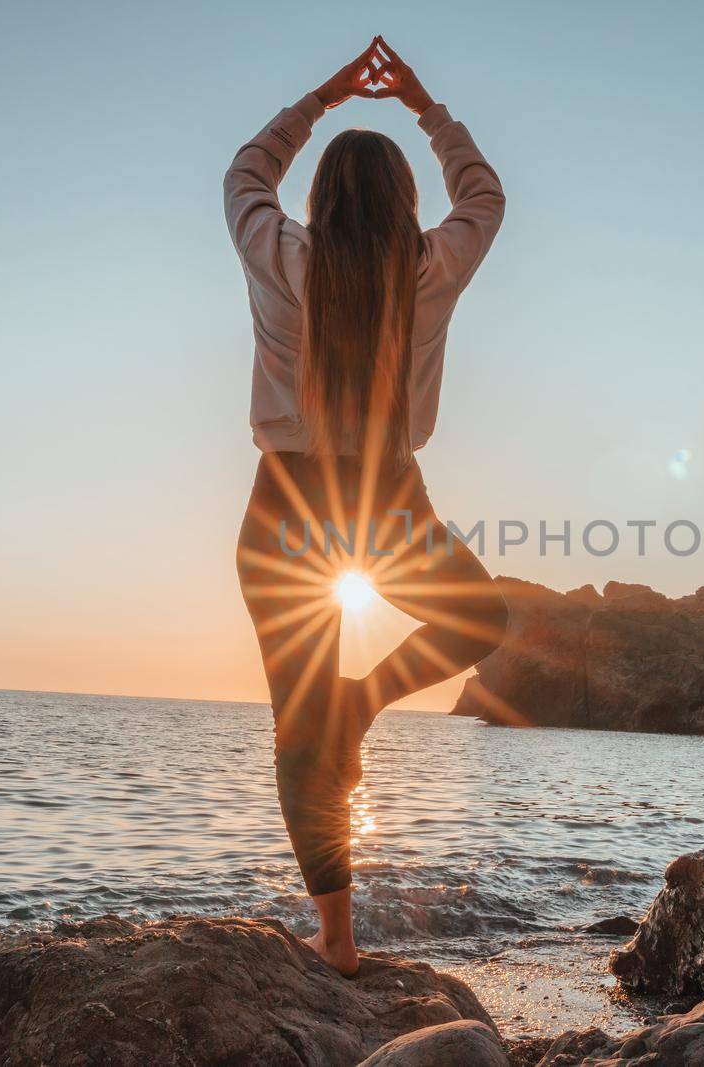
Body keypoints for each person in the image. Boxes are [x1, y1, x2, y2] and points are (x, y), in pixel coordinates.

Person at [223, 37, 509, 977]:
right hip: (384, 496)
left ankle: (337, 937)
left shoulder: (281, 255)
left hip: (288, 507)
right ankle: (364, 702)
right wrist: (426, 107)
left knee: (303, 731)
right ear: (404, 203)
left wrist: (322, 96)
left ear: (319, 201)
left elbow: (246, 173)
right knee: (479, 615)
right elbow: (486, 196)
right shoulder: (428, 269)